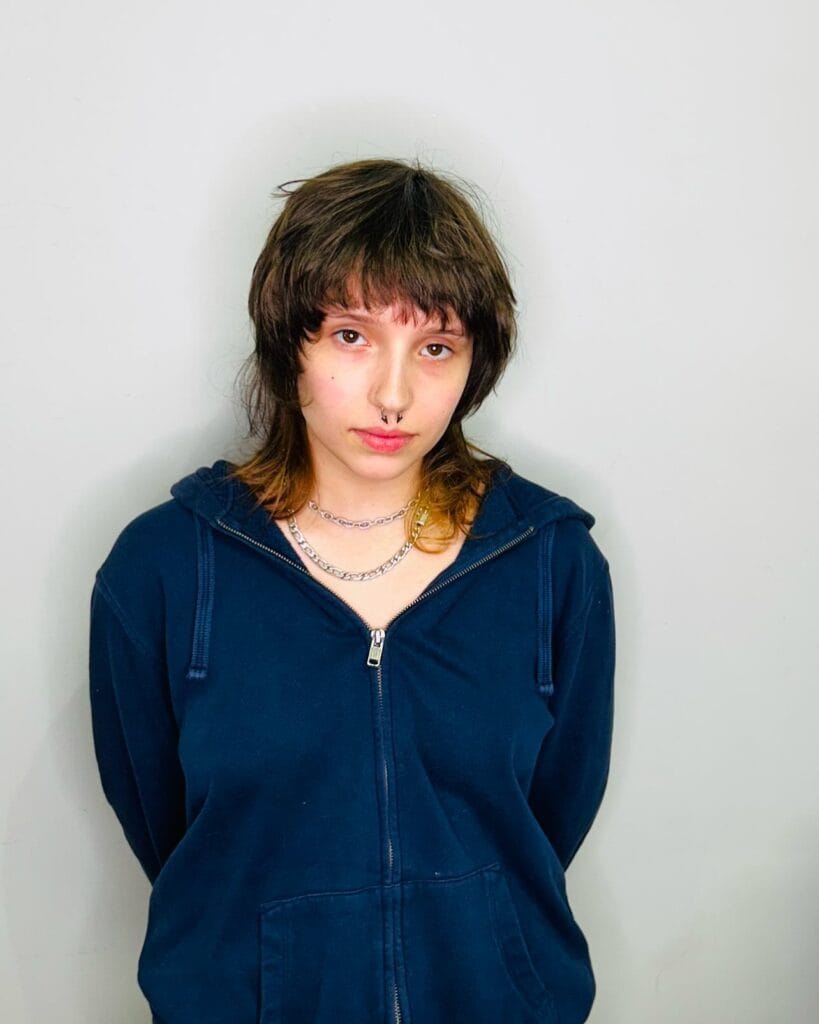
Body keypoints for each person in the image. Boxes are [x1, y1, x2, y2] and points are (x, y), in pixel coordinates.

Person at [88, 157, 616, 1024]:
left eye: (436, 347)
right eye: (350, 336)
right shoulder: (164, 568)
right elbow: (164, 824)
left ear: (472, 367)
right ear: (286, 344)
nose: (395, 393)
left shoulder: (549, 562)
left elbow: (555, 813)